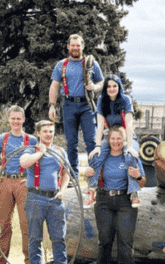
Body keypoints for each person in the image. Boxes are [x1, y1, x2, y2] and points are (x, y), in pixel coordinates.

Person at [85, 126, 146, 264]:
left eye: (119, 138)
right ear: (108, 140)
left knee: (125, 239)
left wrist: (137, 175)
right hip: (104, 200)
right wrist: (87, 174)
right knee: (105, 239)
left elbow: (143, 182)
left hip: (125, 201)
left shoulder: (130, 157)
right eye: (113, 138)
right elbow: (91, 175)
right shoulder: (102, 157)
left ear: (125, 140)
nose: (116, 142)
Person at [20, 120, 74, 264]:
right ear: (38, 133)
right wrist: (41, 153)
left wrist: (63, 190)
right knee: (35, 237)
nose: (49, 134)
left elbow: (66, 173)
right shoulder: (30, 149)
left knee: (59, 238)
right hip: (35, 197)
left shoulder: (60, 151)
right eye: (45, 131)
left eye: (51, 131)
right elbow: (24, 163)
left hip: (55, 199)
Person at [0, 106, 38, 264]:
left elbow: (39, 160)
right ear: (8, 119)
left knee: (26, 224)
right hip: (5, 181)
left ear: (23, 120)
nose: (16, 121)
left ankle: (31, 263)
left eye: (19, 118)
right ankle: (0, 263)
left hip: (23, 183)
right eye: (13, 118)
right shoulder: (2, 138)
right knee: (5, 224)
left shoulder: (31, 140)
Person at [49, 34, 104, 177]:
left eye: (78, 45)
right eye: (72, 45)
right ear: (68, 47)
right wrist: (51, 106)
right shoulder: (61, 65)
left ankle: (95, 174)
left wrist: (94, 87)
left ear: (83, 46)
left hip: (87, 106)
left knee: (91, 141)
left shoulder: (91, 63)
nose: (75, 48)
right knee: (71, 143)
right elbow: (54, 86)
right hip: (68, 105)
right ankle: (73, 175)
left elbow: (102, 83)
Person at [86, 74, 141, 208]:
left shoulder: (126, 100)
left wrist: (129, 146)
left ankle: (134, 192)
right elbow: (99, 126)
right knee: (96, 157)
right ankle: (91, 191)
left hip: (126, 135)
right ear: (105, 88)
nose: (111, 89)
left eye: (114, 86)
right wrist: (98, 146)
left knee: (130, 156)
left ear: (119, 87)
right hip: (110, 135)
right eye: (109, 86)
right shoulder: (101, 101)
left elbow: (129, 124)